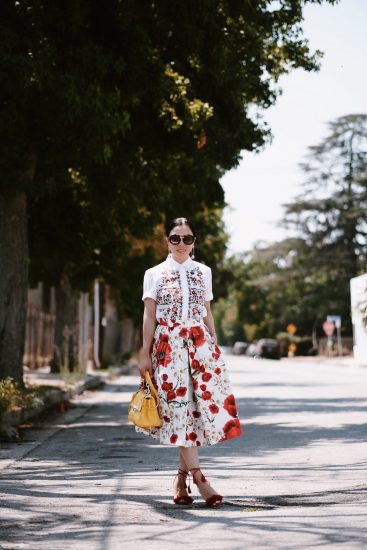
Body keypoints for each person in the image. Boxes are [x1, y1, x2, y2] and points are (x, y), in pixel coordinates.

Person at [138, 217, 243, 507]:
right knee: (177, 410)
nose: (181, 244)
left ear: (194, 241)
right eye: (175, 238)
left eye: (187, 238)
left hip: (200, 345)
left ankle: (180, 480)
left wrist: (215, 342)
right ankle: (199, 478)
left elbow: (207, 310)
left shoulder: (204, 272)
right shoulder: (154, 273)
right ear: (166, 241)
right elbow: (149, 314)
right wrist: (144, 352)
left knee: (196, 411)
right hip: (168, 345)